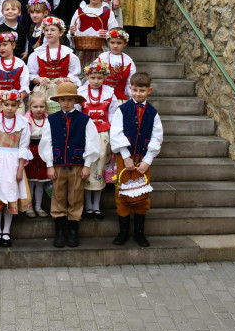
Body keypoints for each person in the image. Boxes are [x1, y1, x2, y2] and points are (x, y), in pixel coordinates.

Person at [37, 81, 99, 248]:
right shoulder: (51, 119)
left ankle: (73, 230)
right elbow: (46, 142)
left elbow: (92, 143)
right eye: (63, 99)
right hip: (57, 165)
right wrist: (49, 164)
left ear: (75, 101)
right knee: (58, 195)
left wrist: (87, 165)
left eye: (70, 100)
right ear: (58, 101)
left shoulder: (85, 120)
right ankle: (59, 231)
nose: (66, 103)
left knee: (75, 195)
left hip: (77, 165)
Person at [109, 72, 163, 248]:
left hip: (143, 159)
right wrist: (126, 156)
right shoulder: (121, 110)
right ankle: (123, 232)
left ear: (149, 90)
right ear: (130, 89)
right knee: (122, 192)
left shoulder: (153, 113)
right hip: (125, 158)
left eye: (142, 90)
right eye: (135, 90)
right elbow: (116, 133)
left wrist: (148, 159)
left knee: (142, 193)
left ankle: (139, 233)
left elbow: (157, 137)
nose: (138, 93)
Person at [0, 91, 31, 247]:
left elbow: (23, 147)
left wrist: (19, 169)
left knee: (10, 197)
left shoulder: (23, 123)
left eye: (13, 105)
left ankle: (6, 231)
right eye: (6, 105)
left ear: (18, 105)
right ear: (0, 104)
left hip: (13, 162)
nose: (9, 108)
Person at [78, 61, 117, 220]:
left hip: (103, 135)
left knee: (99, 167)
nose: (96, 81)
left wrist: (113, 135)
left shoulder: (109, 93)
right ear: (87, 76)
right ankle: (87, 205)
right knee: (88, 166)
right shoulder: (81, 92)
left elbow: (113, 115)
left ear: (104, 78)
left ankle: (96, 206)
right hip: (86, 134)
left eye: (99, 77)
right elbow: (79, 114)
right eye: (93, 77)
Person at [27, 16, 82, 109]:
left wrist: (65, 80)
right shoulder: (37, 54)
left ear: (60, 32)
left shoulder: (69, 54)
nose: (49, 32)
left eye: (52, 30)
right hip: (43, 90)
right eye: (46, 30)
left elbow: (75, 76)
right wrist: (39, 79)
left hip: (63, 90)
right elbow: (31, 75)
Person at [69, 0, 118, 68]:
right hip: (83, 50)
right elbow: (73, 31)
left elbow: (115, 32)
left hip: (101, 50)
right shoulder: (80, 11)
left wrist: (108, 34)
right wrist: (73, 32)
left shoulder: (107, 12)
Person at [0, 32, 30, 121]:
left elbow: (25, 87)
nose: (1, 48)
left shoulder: (20, 64)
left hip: (15, 101)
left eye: (5, 45)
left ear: (13, 45)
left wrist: (16, 98)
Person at [23, 91, 51, 218]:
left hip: (43, 152)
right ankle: (29, 208)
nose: (38, 109)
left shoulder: (48, 120)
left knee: (40, 182)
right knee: (30, 182)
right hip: (30, 152)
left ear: (46, 107)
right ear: (30, 107)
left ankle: (38, 207)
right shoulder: (25, 120)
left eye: (41, 107)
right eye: (35, 107)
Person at [96, 28, 136, 102]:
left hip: (119, 97)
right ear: (108, 42)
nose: (115, 46)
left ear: (125, 44)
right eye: (112, 42)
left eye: (119, 43)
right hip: (101, 97)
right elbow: (94, 76)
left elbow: (129, 83)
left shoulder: (129, 62)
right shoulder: (102, 58)